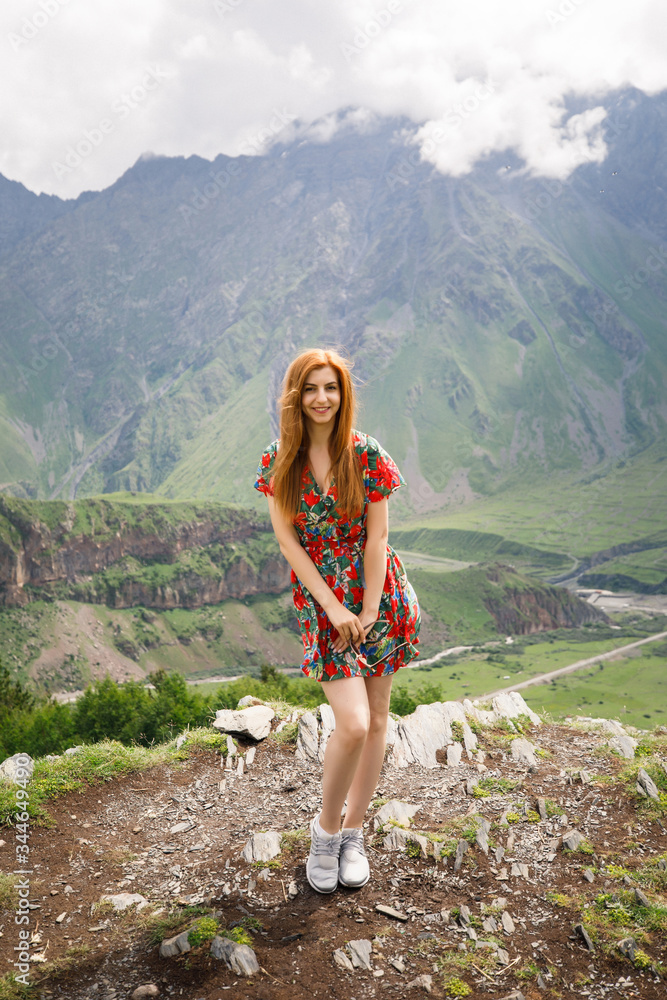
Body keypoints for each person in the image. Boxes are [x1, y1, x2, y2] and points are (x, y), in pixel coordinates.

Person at [253, 347, 420, 893]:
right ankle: (324, 834)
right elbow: (288, 542)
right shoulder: (281, 460)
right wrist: (334, 607)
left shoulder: (366, 454)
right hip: (326, 606)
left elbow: (378, 538)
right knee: (349, 723)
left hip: (381, 600)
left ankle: (354, 833)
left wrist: (369, 608)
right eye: (311, 388)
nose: (322, 398)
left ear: (343, 395)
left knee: (376, 721)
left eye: (331, 388)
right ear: (295, 396)